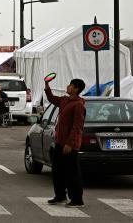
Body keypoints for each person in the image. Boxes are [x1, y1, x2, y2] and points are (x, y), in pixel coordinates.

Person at [45, 77, 86, 208]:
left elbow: (77, 126)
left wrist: (70, 143)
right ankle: (60, 196)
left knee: (72, 172)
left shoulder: (78, 104)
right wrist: (47, 85)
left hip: (70, 145)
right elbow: (52, 98)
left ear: (76, 89)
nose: (68, 86)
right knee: (57, 170)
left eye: (70, 85)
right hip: (59, 141)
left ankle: (77, 199)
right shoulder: (65, 100)